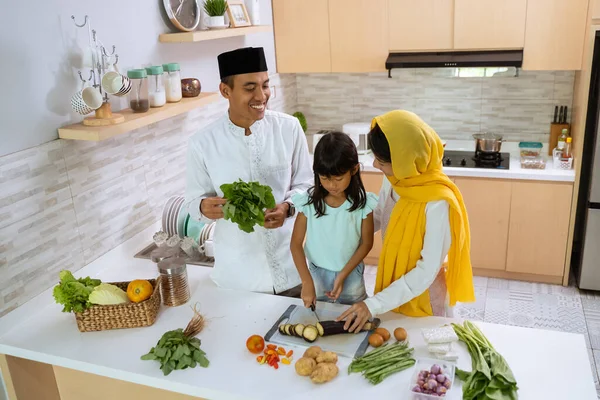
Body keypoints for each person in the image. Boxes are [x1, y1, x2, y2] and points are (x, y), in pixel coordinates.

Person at [184, 47, 313, 297]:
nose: (261, 95)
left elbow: (308, 186)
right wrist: (202, 207)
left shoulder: (289, 128)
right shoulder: (202, 143)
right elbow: (191, 203)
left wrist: (288, 207)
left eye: (265, 85)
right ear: (225, 91)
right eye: (249, 87)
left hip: (294, 271)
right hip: (238, 280)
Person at [336, 110, 475, 332]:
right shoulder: (396, 177)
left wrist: (372, 305)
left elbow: (425, 271)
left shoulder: (438, 201)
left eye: (381, 160)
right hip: (394, 288)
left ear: (405, 160)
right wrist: (345, 232)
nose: (374, 164)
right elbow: (382, 214)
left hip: (425, 299)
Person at [290, 132, 378, 307]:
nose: (331, 185)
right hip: (316, 273)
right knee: (320, 317)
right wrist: (306, 281)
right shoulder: (308, 202)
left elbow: (367, 243)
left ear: (354, 170)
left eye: (338, 178)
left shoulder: (363, 204)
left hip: (351, 272)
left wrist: (344, 274)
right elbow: (295, 244)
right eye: (324, 178)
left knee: (353, 315)